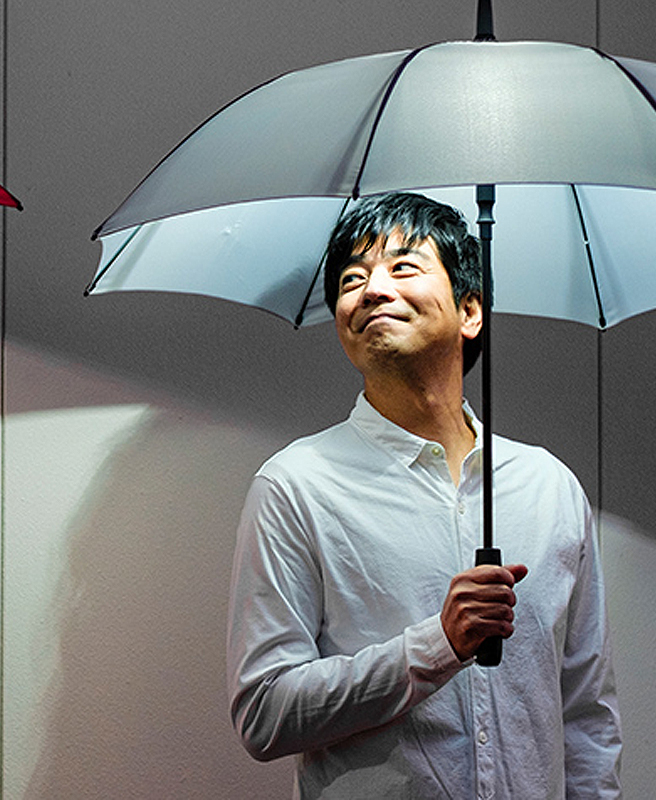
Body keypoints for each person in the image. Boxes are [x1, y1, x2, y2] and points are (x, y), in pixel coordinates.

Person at [226, 193, 622, 798]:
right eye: (351, 279)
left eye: (403, 267)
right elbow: (265, 712)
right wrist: (437, 645)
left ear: (470, 311)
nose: (371, 290)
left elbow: (586, 714)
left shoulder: (550, 487)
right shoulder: (296, 485)